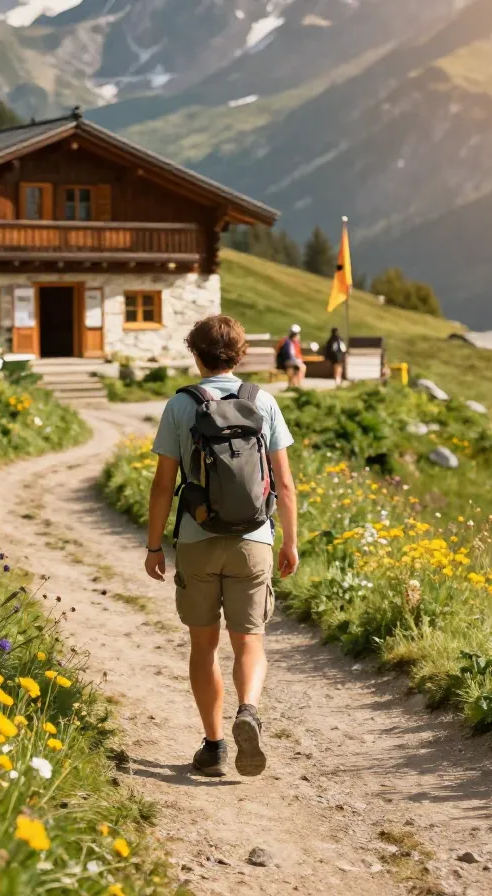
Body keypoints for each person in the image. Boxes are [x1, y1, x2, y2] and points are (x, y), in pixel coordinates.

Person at [144, 315, 299, 777]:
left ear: (196, 354)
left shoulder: (181, 406)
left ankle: (213, 747)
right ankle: (247, 710)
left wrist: (155, 546)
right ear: (241, 354)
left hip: (197, 538)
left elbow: (161, 485)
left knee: (204, 645)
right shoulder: (263, 401)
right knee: (249, 640)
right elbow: (285, 484)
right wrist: (289, 540)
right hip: (254, 539)